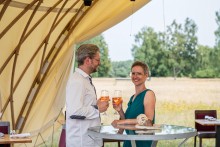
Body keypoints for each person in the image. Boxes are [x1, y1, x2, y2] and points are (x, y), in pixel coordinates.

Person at [66, 44, 109, 147]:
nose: (99, 63)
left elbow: (84, 106)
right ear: (88, 60)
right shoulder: (77, 81)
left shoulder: (84, 80)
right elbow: (75, 111)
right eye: (97, 60)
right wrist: (97, 108)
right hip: (81, 142)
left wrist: (96, 104)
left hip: (89, 140)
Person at [112, 61, 156, 147]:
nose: (135, 76)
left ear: (146, 75)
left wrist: (121, 121)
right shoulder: (132, 97)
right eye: (133, 73)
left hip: (142, 143)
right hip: (129, 141)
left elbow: (147, 120)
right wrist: (120, 111)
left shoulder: (148, 94)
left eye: (139, 73)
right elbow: (127, 122)